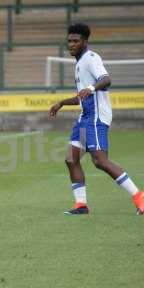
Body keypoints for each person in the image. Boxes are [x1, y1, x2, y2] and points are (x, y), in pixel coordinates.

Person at [49, 23, 144, 215]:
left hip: (96, 117)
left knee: (100, 160)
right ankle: (81, 205)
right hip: (85, 117)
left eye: (76, 41)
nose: (71, 44)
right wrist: (61, 103)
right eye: (69, 41)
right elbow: (81, 96)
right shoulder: (79, 63)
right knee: (71, 158)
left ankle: (139, 196)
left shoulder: (91, 58)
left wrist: (92, 88)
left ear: (85, 42)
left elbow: (106, 79)